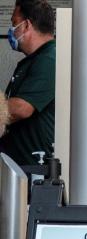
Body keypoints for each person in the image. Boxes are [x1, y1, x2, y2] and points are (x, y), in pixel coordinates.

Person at [0, 0, 55, 166]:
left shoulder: (49, 59)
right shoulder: (33, 60)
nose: (12, 30)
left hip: (34, 171)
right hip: (19, 168)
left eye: (14, 24)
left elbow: (22, 108)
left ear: (27, 25)